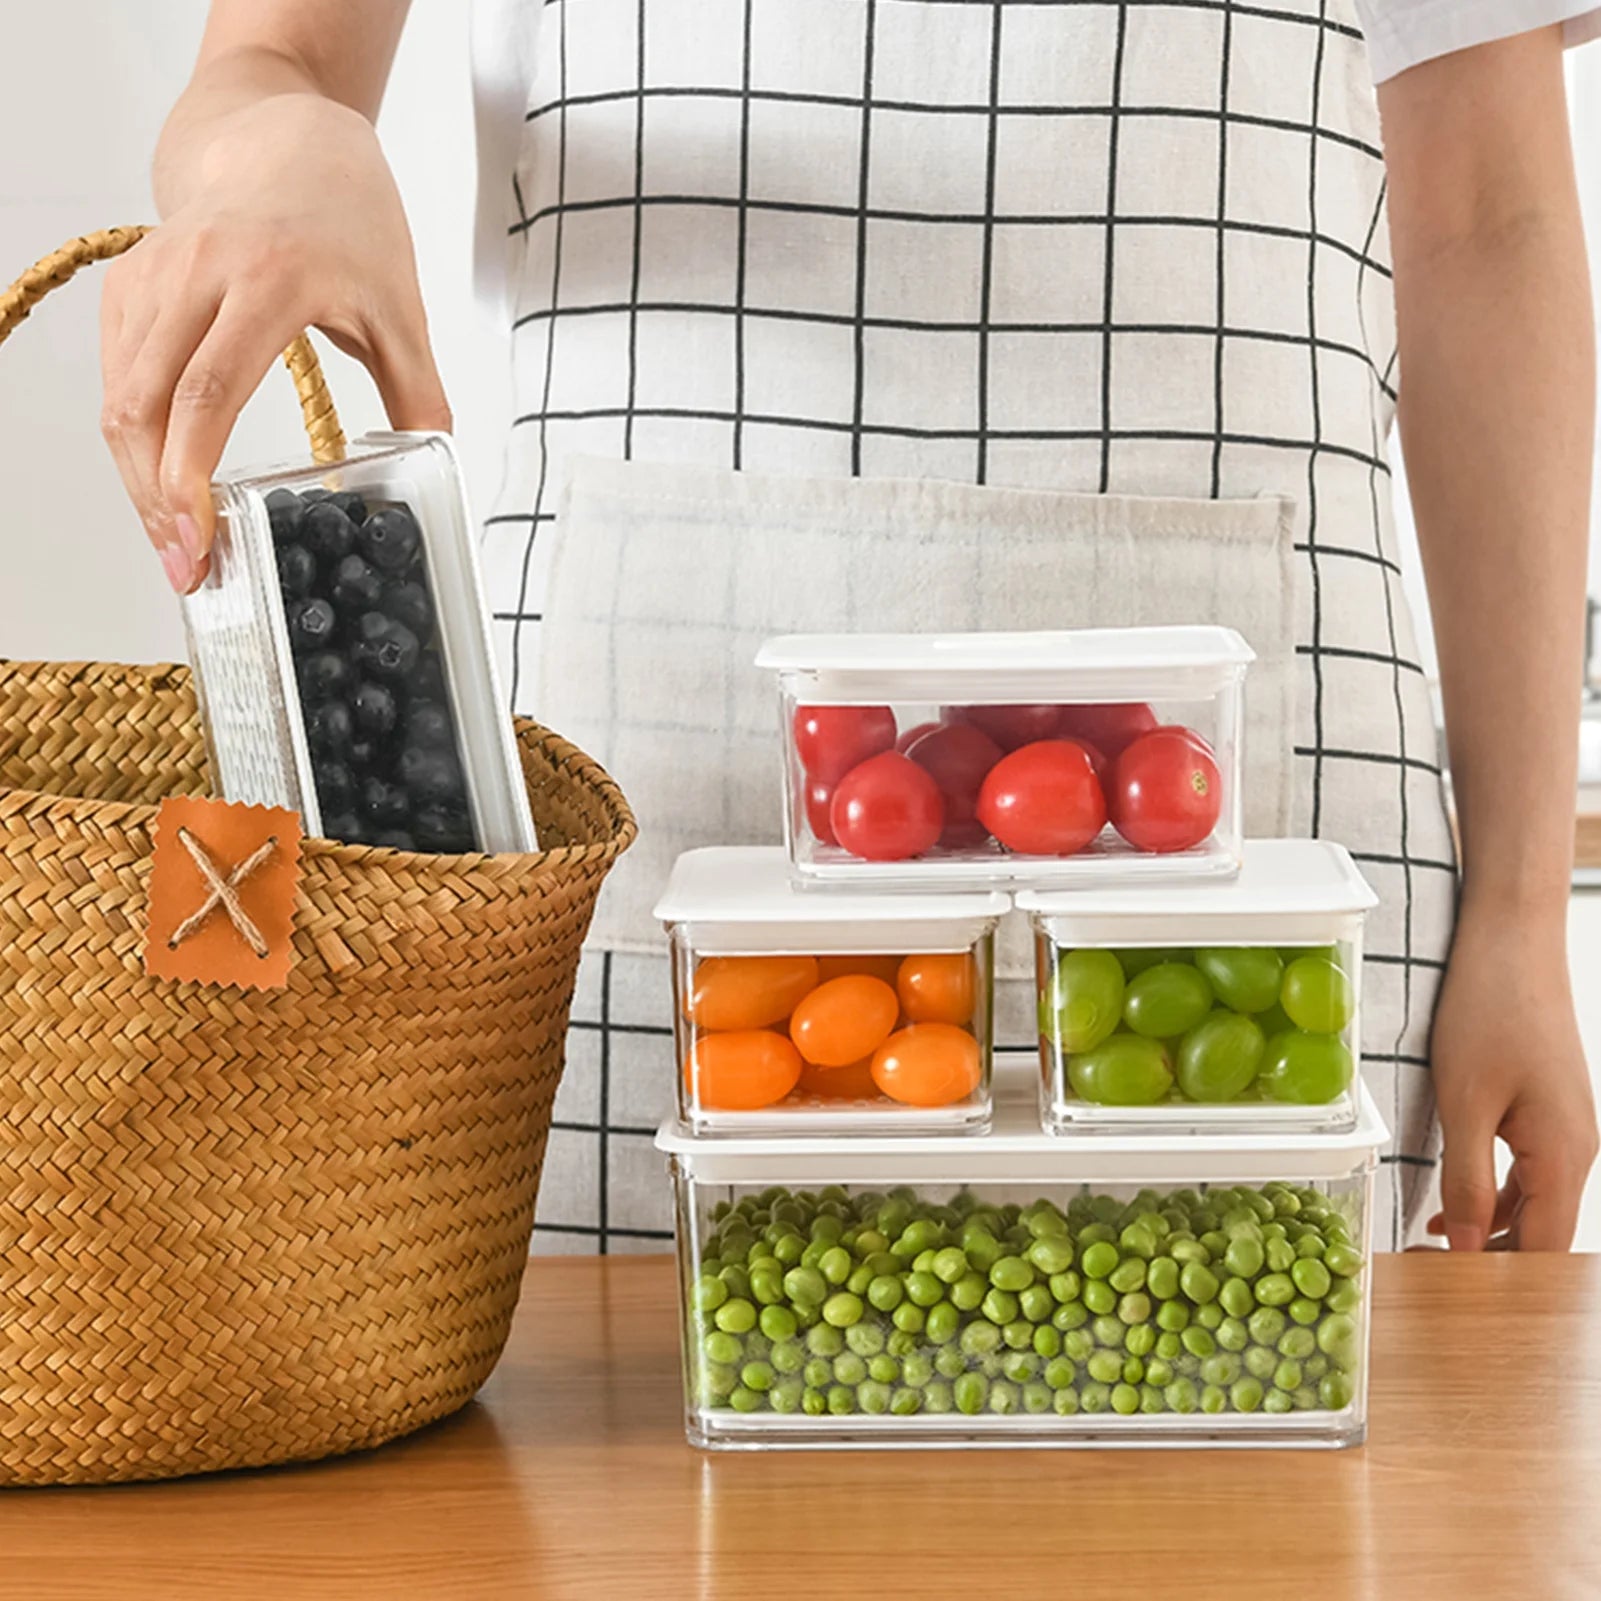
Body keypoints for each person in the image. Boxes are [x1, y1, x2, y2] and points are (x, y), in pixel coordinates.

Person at [102, 0, 1599, 1253]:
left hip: (1250, 837)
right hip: (647, 819)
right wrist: (276, 149)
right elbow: (272, 59)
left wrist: (1525, 913)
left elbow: (1493, 221)